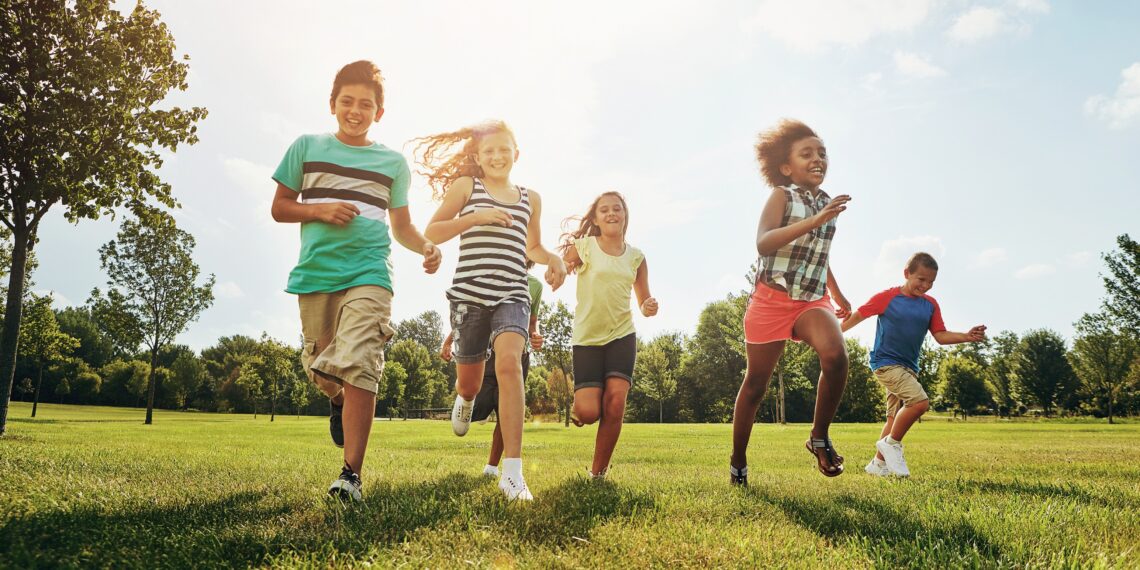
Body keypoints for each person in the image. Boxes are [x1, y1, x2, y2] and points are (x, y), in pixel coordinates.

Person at [271, 61, 441, 501]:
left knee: (361, 360)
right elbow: (280, 206)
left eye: (366, 104)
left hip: (370, 272)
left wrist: (424, 246)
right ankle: (336, 399)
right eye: (347, 101)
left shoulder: (391, 163)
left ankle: (351, 475)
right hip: (316, 275)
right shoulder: (306, 147)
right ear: (333, 104)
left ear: (378, 113)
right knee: (322, 367)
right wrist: (319, 210)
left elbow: (402, 226)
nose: (355, 110)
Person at [414, 120, 567, 501]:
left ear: (517, 153)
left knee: (510, 363)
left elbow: (532, 248)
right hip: (469, 295)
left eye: (504, 149)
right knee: (470, 382)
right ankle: (465, 400)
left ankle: (512, 473)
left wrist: (554, 259)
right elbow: (431, 232)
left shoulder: (531, 198)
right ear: (477, 156)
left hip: (512, 294)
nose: (497, 156)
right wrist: (475, 217)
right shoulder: (467, 187)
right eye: (489, 151)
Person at [730, 119, 853, 486]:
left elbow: (817, 254)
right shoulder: (782, 195)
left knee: (836, 356)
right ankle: (738, 460)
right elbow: (764, 243)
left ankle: (819, 436)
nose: (818, 158)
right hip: (771, 299)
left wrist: (839, 293)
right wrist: (815, 219)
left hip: (812, 299)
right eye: (807, 154)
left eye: (822, 152)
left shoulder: (826, 203)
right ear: (786, 167)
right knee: (755, 385)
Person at [841, 252, 987, 477]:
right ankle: (891, 445)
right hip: (886, 363)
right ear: (907, 274)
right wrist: (828, 334)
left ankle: (878, 465)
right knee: (919, 402)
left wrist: (967, 336)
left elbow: (940, 335)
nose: (926, 285)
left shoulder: (930, 305)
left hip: (909, 367)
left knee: (894, 417)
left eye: (931, 282)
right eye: (921, 279)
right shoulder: (887, 297)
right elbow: (858, 316)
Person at [560, 192, 657, 479]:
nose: (612, 213)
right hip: (587, 338)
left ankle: (597, 474)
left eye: (617, 209)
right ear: (595, 218)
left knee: (616, 403)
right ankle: (585, 404)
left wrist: (648, 306)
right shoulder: (585, 246)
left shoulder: (636, 257)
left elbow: (643, 302)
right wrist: (555, 275)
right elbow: (561, 267)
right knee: (589, 412)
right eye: (605, 210)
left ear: (625, 215)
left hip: (622, 335)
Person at [439, 263, 544, 478]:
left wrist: (536, 334)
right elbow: (475, 319)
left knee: (508, 410)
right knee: (480, 405)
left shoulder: (535, 286)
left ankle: (492, 467)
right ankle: (466, 396)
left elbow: (532, 322)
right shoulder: (494, 273)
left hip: (518, 355)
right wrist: (448, 341)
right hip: (489, 353)